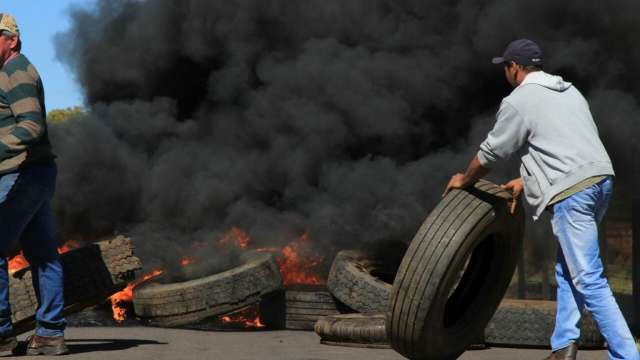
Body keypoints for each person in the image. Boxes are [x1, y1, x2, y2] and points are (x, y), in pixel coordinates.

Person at [443, 39, 639, 360]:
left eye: (505, 66)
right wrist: (526, 179)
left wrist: (465, 179)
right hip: (600, 181)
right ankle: (563, 347)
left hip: (572, 193)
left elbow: (492, 152)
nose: (505, 72)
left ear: (516, 68)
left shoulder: (520, 99)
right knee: (567, 269)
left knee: (589, 278)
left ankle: (627, 356)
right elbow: (566, 146)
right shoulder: (569, 92)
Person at [0, 13, 67, 355]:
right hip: (37, 173)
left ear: (11, 40)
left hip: (21, 174)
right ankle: (51, 334)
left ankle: (1, 333)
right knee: (44, 255)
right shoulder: (15, 70)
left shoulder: (13, 73)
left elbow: (31, 126)